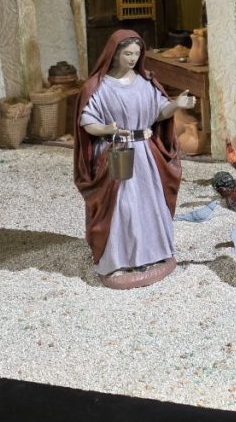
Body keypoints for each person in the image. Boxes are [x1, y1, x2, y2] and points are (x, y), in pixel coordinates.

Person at [73, 29, 195, 289]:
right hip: (118, 154)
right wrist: (106, 129)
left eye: (136, 54)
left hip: (145, 156)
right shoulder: (98, 87)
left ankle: (155, 255)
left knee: (149, 205)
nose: (132, 58)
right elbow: (87, 121)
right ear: (114, 53)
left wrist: (177, 104)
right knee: (122, 208)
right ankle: (118, 261)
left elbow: (159, 112)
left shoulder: (145, 83)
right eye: (127, 53)